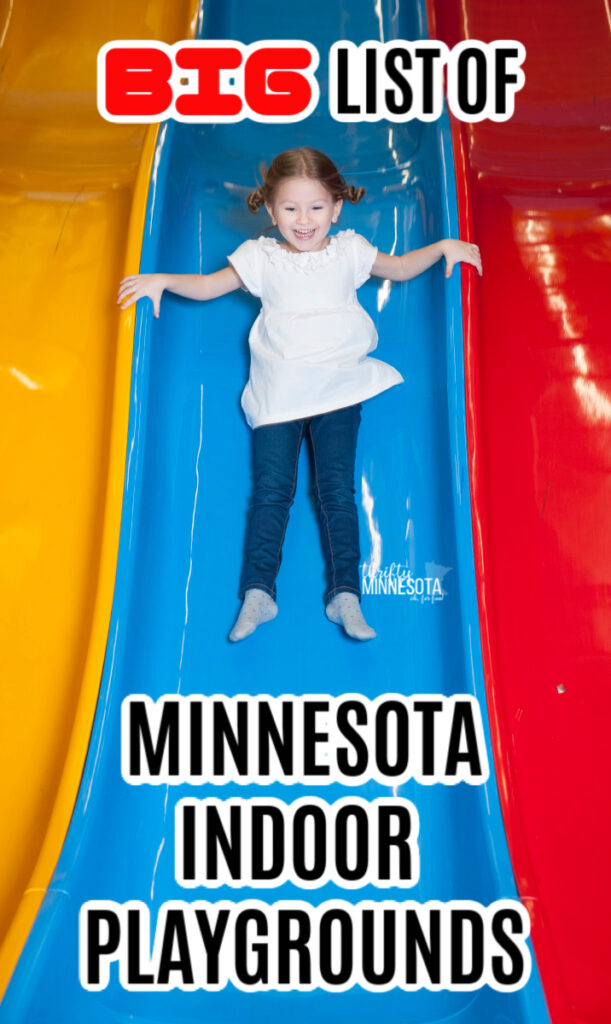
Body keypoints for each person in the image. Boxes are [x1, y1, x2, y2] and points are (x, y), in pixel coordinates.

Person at [118, 147, 482, 643]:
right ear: (270, 211)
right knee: (272, 492)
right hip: (280, 394)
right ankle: (258, 593)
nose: (304, 220)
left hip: (337, 389)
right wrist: (162, 281)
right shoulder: (261, 256)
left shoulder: (349, 249)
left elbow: (396, 268)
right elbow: (208, 286)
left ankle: (345, 594)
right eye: (290, 209)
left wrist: (442, 248)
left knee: (336, 492)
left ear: (336, 207)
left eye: (316, 208)